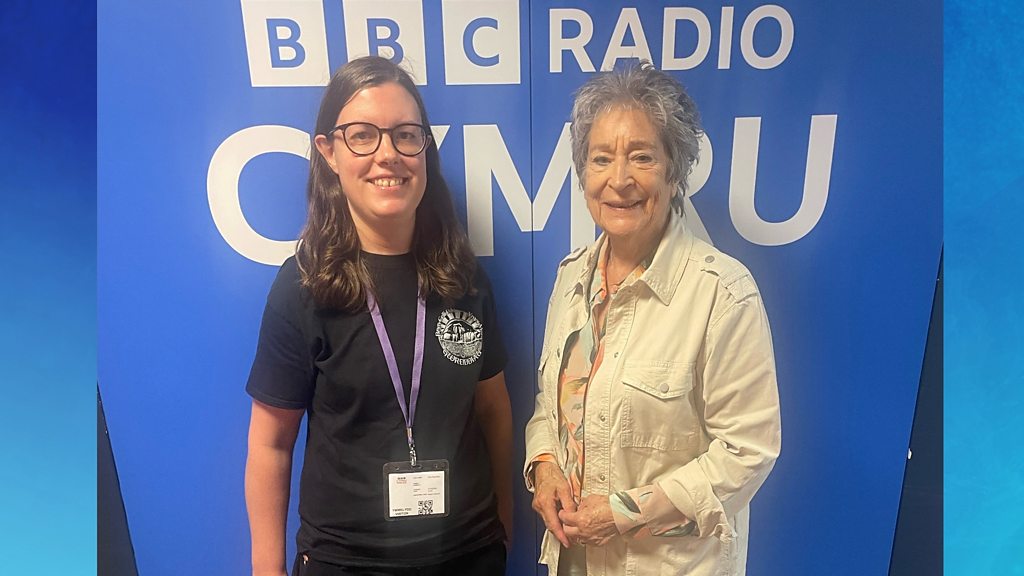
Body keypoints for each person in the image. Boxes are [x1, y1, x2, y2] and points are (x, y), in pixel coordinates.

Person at [244, 56, 513, 576]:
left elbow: (494, 412)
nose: (388, 155)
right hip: (346, 561)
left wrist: (502, 529)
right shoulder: (302, 287)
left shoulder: (464, 278)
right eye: (363, 136)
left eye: (406, 135)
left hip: (468, 554)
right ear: (329, 152)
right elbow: (271, 445)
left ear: (424, 149)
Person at [524, 62, 782, 576]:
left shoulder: (722, 294)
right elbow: (551, 407)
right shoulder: (571, 279)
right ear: (583, 173)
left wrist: (624, 513)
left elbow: (747, 452)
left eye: (641, 157)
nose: (619, 180)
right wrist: (545, 465)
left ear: (674, 171)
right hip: (574, 562)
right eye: (601, 159)